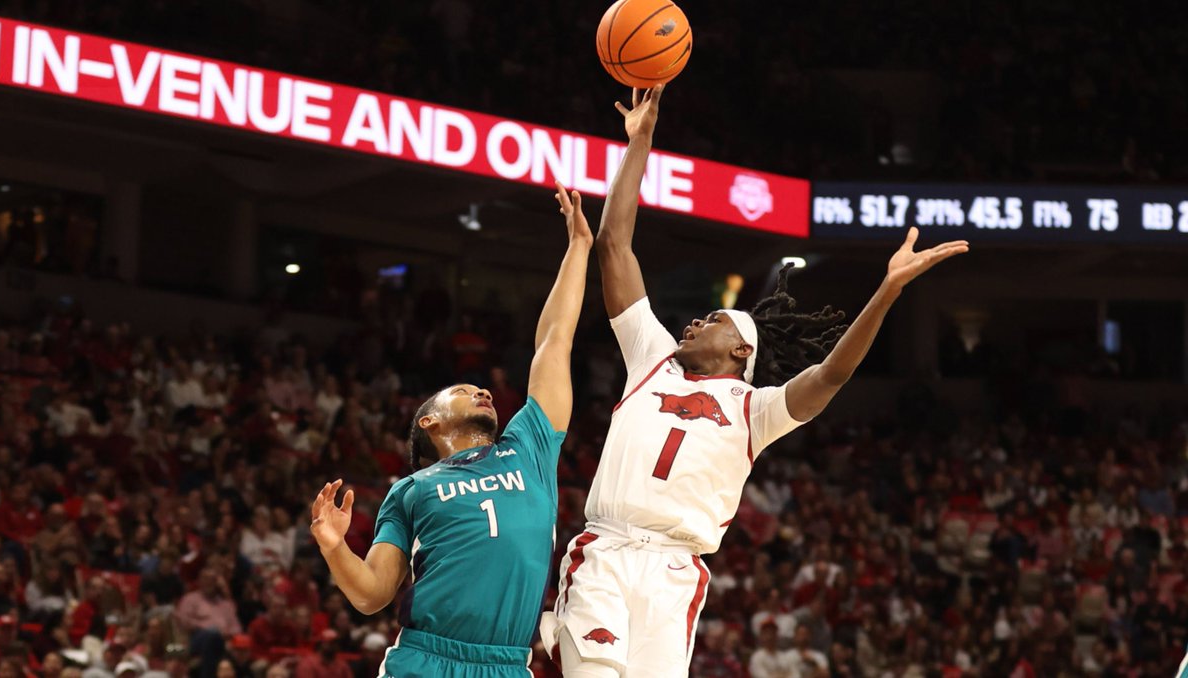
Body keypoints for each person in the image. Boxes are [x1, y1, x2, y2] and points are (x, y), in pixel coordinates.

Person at [544, 85, 969, 677]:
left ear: (742, 348)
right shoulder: (651, 357)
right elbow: (616, 245)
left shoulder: (756, 409)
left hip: (675, 572)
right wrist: (640, 141)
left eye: (712, 319)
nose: (693, 321)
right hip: (607, 551)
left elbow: (833, 373)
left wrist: (887, 291)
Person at [310, 183, 593, 677]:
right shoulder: (410, 490)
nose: (481, 391)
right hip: (425, 658)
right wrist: (336, 547)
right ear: (429, 420)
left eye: (481, 389)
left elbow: (554, 341)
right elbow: (373, 594)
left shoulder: (527, 446)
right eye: (463, 389)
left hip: (506, 664)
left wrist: (578, 249)